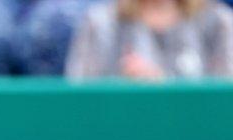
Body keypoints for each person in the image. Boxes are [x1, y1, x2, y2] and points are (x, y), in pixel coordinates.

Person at [65, 0, 233, 80]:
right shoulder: (100, 23)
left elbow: (224, 103)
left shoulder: (219, 22)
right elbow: (79, 102)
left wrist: (163, 85)